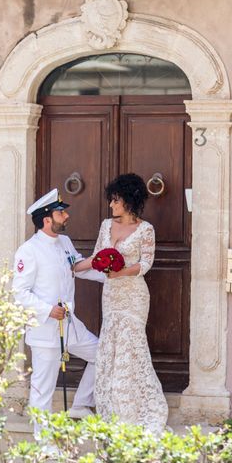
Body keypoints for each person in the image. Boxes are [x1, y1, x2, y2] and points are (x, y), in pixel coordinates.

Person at [74, 173, 168, 433]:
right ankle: (112, 405)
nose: (111, 205)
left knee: (130, 349)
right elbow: (96, 257)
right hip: (111, 295)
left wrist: (120, 272)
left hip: (134, 296)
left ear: (129, 200)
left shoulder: (145, 229)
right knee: (111, 347)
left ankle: (135, 408)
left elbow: (146, 263)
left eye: (115, 200)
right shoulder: (106, 225)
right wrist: (71, 267)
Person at [12, 188, 105, 437]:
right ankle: (43, 441)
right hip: (45, 330)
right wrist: (47, 310)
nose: (66, 216)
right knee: (43, 388)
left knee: (103, 354)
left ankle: (80, 405)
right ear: (47, 219)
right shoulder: (28, 251)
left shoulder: (64, 242)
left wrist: (109, 275)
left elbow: (76, 266)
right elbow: (19, 292)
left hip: (70, 325)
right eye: (61, 213)